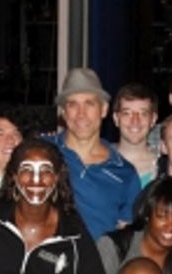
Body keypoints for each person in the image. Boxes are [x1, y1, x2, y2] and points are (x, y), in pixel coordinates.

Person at [0, 137, 118, 274]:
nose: (36, 180)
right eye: (27, 171)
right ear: (13, 176)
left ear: (57, 178)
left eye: (45, 172)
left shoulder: (73, 234)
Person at [46, 67, 141, 239]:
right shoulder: (42, 152)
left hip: (101, 264)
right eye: (73, 104)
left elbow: (127, 239)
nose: (81, 114)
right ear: (63, 112)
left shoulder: (125, 173)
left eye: (89, 104)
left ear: (104, 110)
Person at [111, 83, 159, 186]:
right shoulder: (100, 162)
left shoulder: (165, 167)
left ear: (153, 120)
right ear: (116, 119)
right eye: (127, 113)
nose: (135, 121)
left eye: (143, 114)